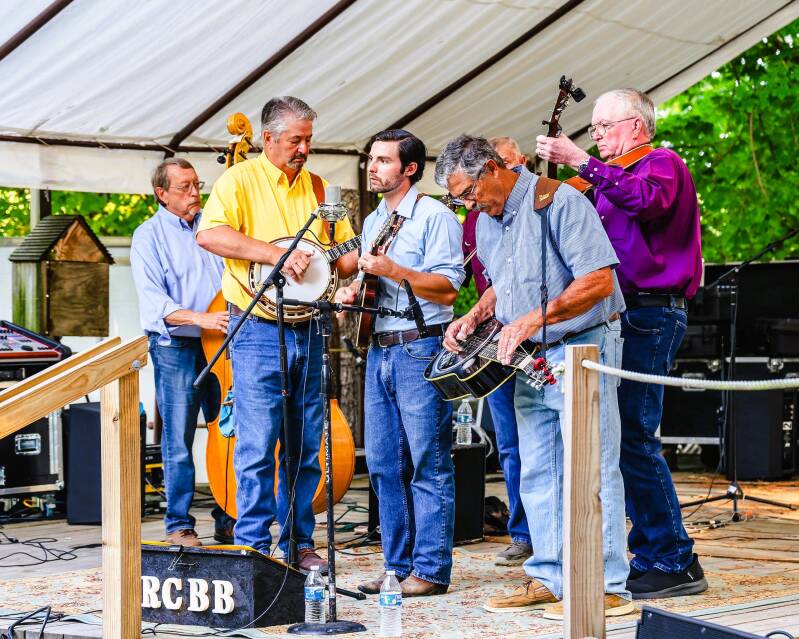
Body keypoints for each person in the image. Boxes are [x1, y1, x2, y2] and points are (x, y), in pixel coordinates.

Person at [436, 135, 633, 618]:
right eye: (459, 199)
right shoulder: (486, 220)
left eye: (468, 193)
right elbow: (504, 283)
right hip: (530, 354)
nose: (467, 205)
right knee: (539, 467)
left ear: (491, 169)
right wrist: (476, 314)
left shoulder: (561, 201)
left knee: (593, 465)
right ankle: (549, 576)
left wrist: (531, 320)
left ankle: (607, 585)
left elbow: (598, 281)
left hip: (583, 345)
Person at [535, 88, 706, 599]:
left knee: (634, 434)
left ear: (636, 125)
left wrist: (580, 161)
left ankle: (674, 558)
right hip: (619, 313)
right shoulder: (607, 179)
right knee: (619, 437)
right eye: (593, 129)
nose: (597, 136)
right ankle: (650, 552)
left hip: (651, 311)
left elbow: (647, 202)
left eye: (604, 126)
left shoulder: (662, 163)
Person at [196, 96, 358, 572]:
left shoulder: (320, 188)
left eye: (309, 140)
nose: (304, 148)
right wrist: (275, 255)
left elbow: (345, 254)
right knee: (257, 444)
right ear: (267, 138)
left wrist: (355, 258)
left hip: (310, 327)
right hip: (257, 328)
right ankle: (252, 547)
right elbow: (210, 234)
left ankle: (299, 543)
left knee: (305, 445)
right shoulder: (238, 180)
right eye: (295, 140)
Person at [335, 129, 465, 597]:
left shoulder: (435, 216)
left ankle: (430, 571)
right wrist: (355, 292)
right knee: (384, 463)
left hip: (420, 346)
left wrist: (394, 270)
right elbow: (376, 286)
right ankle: (397, 566)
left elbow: (447, 289)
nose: (374, 168)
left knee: (428, 461)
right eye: (372, 159)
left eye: (384, 161)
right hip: (379, 348)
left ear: (409, 169)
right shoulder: (374, 220)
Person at [131, 157, 234, 547]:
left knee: (230, 431)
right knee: (178, 437)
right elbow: (153, 302)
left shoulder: (215, 226)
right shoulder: (148, 235)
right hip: (177, 345)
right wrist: (201, 318)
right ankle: (179, 524)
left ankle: (229, 516)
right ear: (162, 193)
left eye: (197, 185)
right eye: (184, 187)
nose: (194, 193)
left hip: (221, 342)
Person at [459, 135, 532, 566]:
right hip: (497, 336)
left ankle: (560, 533)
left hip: (538, 334)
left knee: (549, 440)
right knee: (508, 441)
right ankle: (522, 533)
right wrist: (471, 318)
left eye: (506, 164)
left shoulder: (543, 205)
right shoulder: (477, 218)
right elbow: (483, 281)